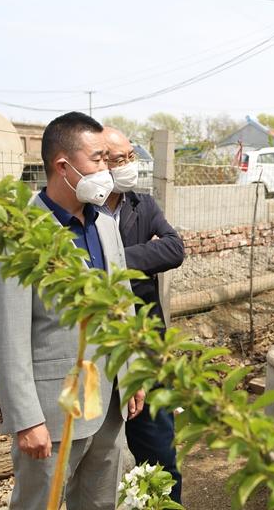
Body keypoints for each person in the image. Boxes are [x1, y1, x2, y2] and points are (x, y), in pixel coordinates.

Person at [0, 112, 145, 510]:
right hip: (52, 411)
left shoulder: (104, 225)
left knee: (100, 502)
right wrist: (25, 418)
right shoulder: (17, 238)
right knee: (41, 504)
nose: (108, 168)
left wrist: (134, 371)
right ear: (63, 166)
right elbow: (7, 337)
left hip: (108, 403)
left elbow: (122, 305)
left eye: (109, 159)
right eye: (99, 159)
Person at [101, 126, 185, 502]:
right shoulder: (84, 211)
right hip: (100, 350)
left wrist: (112, 262)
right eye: (120, 160)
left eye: (131, 157)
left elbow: (174, 249)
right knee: (101, 458)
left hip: (148, 347)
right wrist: (142, 260)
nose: (129, 166)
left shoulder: (143, 205)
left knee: (160, 453)